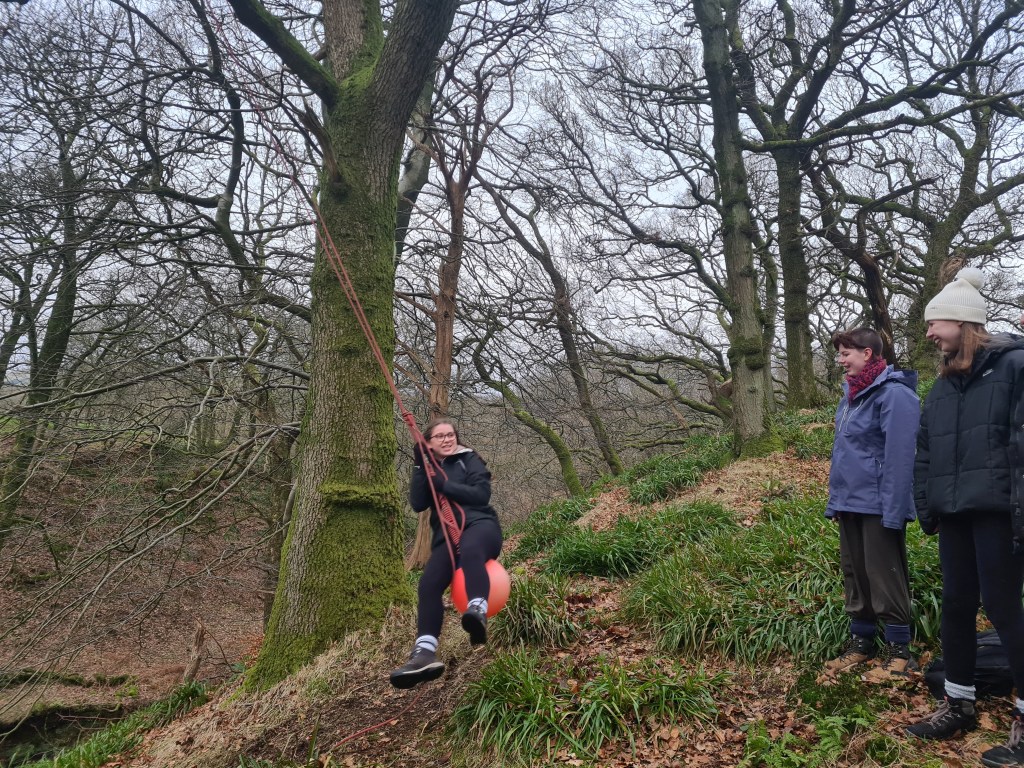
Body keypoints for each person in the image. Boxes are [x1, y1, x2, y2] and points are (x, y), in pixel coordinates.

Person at [905, 268, 1024, 768]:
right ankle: (958, 704)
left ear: (962, 320)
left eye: (934, 323)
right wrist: (927, 505)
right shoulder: (943, 384)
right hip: (953, 514)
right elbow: (925, 450)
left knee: (1004, 609)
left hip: (998, 511)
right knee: (955, 605)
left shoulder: (1015, 366)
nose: (929, 334)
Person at [818, 327, 920, 684]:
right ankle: (862, 643)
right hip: (850, 501)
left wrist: (895, 509)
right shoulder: (850, 397)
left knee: (884, 574)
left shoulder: (895, 395)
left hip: (879, 503)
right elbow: (845, 453)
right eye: (839, 353)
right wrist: (837, 500)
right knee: (856, 573)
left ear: (868, 354)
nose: (841, 360)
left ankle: (899, 652)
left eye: (846, 353)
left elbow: (900, 458)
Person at [389, 419, 503, 689]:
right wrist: (420, 465)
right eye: (439, 436)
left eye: (450, 434)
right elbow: (418, 503)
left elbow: (481, 494)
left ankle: (477, 610)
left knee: (471, 550)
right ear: (429, 443)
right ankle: (424, 652)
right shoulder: (427, 468)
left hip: (480, 526)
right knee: (428, 584)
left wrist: (444, 485)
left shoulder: (468, 458)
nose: (447, 439)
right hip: (445, 538)